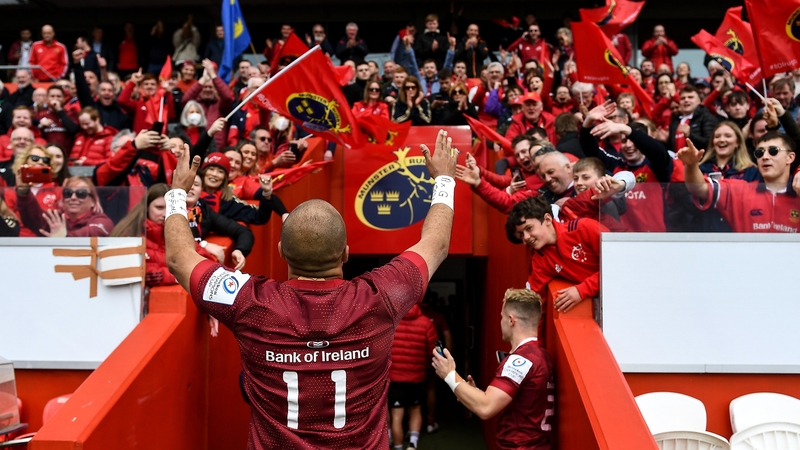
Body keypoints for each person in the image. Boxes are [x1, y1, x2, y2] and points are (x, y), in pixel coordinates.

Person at [163, 129, 457, 448]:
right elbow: (436, 244)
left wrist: (177, 191)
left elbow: (180, 257)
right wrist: (443, 179)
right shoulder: (382, 294)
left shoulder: (248, 300)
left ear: (281, 251)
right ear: (345, 254)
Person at [432, 288, 553, 450]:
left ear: (511, 320)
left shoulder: (521, 359)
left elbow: (486, 407)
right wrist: (473, 393)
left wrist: (449, 374)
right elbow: (512, 400)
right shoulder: (541, 355)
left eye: (502, 317)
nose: (500, 321)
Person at [679, 133, 800, 233]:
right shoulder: (740, 190)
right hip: (746, 260)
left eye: (773, 151)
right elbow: (699, 188)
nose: (765, 157)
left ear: (790, 157)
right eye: (759, 153)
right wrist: (691, 165)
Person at [505, 196, 603, 313]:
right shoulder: (539, 259)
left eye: (529, 228)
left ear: (547, 219)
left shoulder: (585, 228)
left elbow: (621, 264)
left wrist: (582, 290)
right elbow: (536, 303)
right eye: (521, 234)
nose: (525, 238)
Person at [388, 304, 437, 450]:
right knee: (416, 410)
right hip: (417, 377)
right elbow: (434, 350)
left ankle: (397, 447)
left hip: (395, 378)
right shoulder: (426, 323)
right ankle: (412, 445)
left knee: (397, 415)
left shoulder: (392, 322)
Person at [18, 176, 113, 237]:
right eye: (68, 193)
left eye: (81, 193)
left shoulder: (102, 220)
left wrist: (64, 238)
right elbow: (33, 217)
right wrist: (24, 193)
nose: (73, 197)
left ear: (93, 201)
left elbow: (92, 233)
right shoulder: (57, 218)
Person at [182, 59, 233, 150]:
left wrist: (213, 76)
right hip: (194, 146)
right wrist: (203, 79)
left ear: (215, 89)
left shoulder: (221, 105)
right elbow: (185, 100)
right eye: (205, 87)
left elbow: (228, 97)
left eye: (210, 87)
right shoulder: (195, 103)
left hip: (217, 147)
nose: (208, 89)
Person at [668, 85, 719, 152]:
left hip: (699, 162)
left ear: (698, 101)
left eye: (690, 97)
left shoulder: (707, 118)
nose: (686, 100)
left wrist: (690, 135)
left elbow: (711, 144)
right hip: (676, 161)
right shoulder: (675, 121)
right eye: (683, 98)